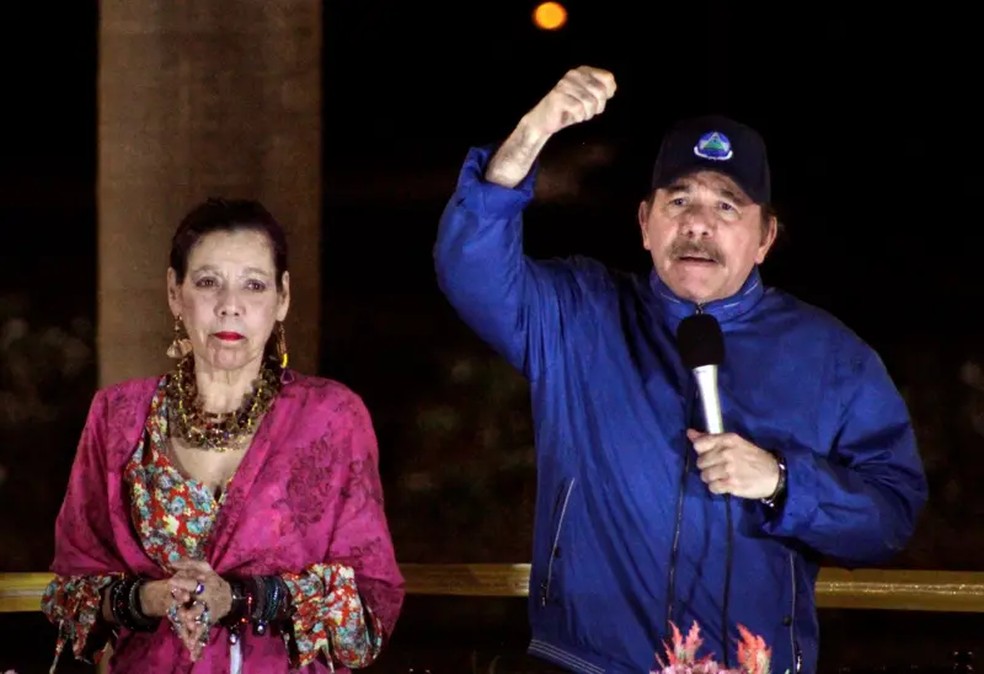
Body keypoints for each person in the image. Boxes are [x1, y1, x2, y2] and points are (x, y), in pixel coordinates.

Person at [433, 65, 928, 673]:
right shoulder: (579, 313)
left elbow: (889, 517)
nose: (698, 223)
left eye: (727, 205)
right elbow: (469, 266)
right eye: (679, 200)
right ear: (645, 223)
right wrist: (532, 133)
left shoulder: (835, 358)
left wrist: (782, 482)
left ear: (766, 237)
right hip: (585, 662)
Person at [41, 198, 405, 673]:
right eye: (208, 282)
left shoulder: (332, 416)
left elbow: (369, 604)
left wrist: (241, 598)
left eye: (254, 285)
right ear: (175, 292)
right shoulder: (117, 416)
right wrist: (152, 598)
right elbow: (69, 595)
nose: (230, 306)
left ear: (283, 297)